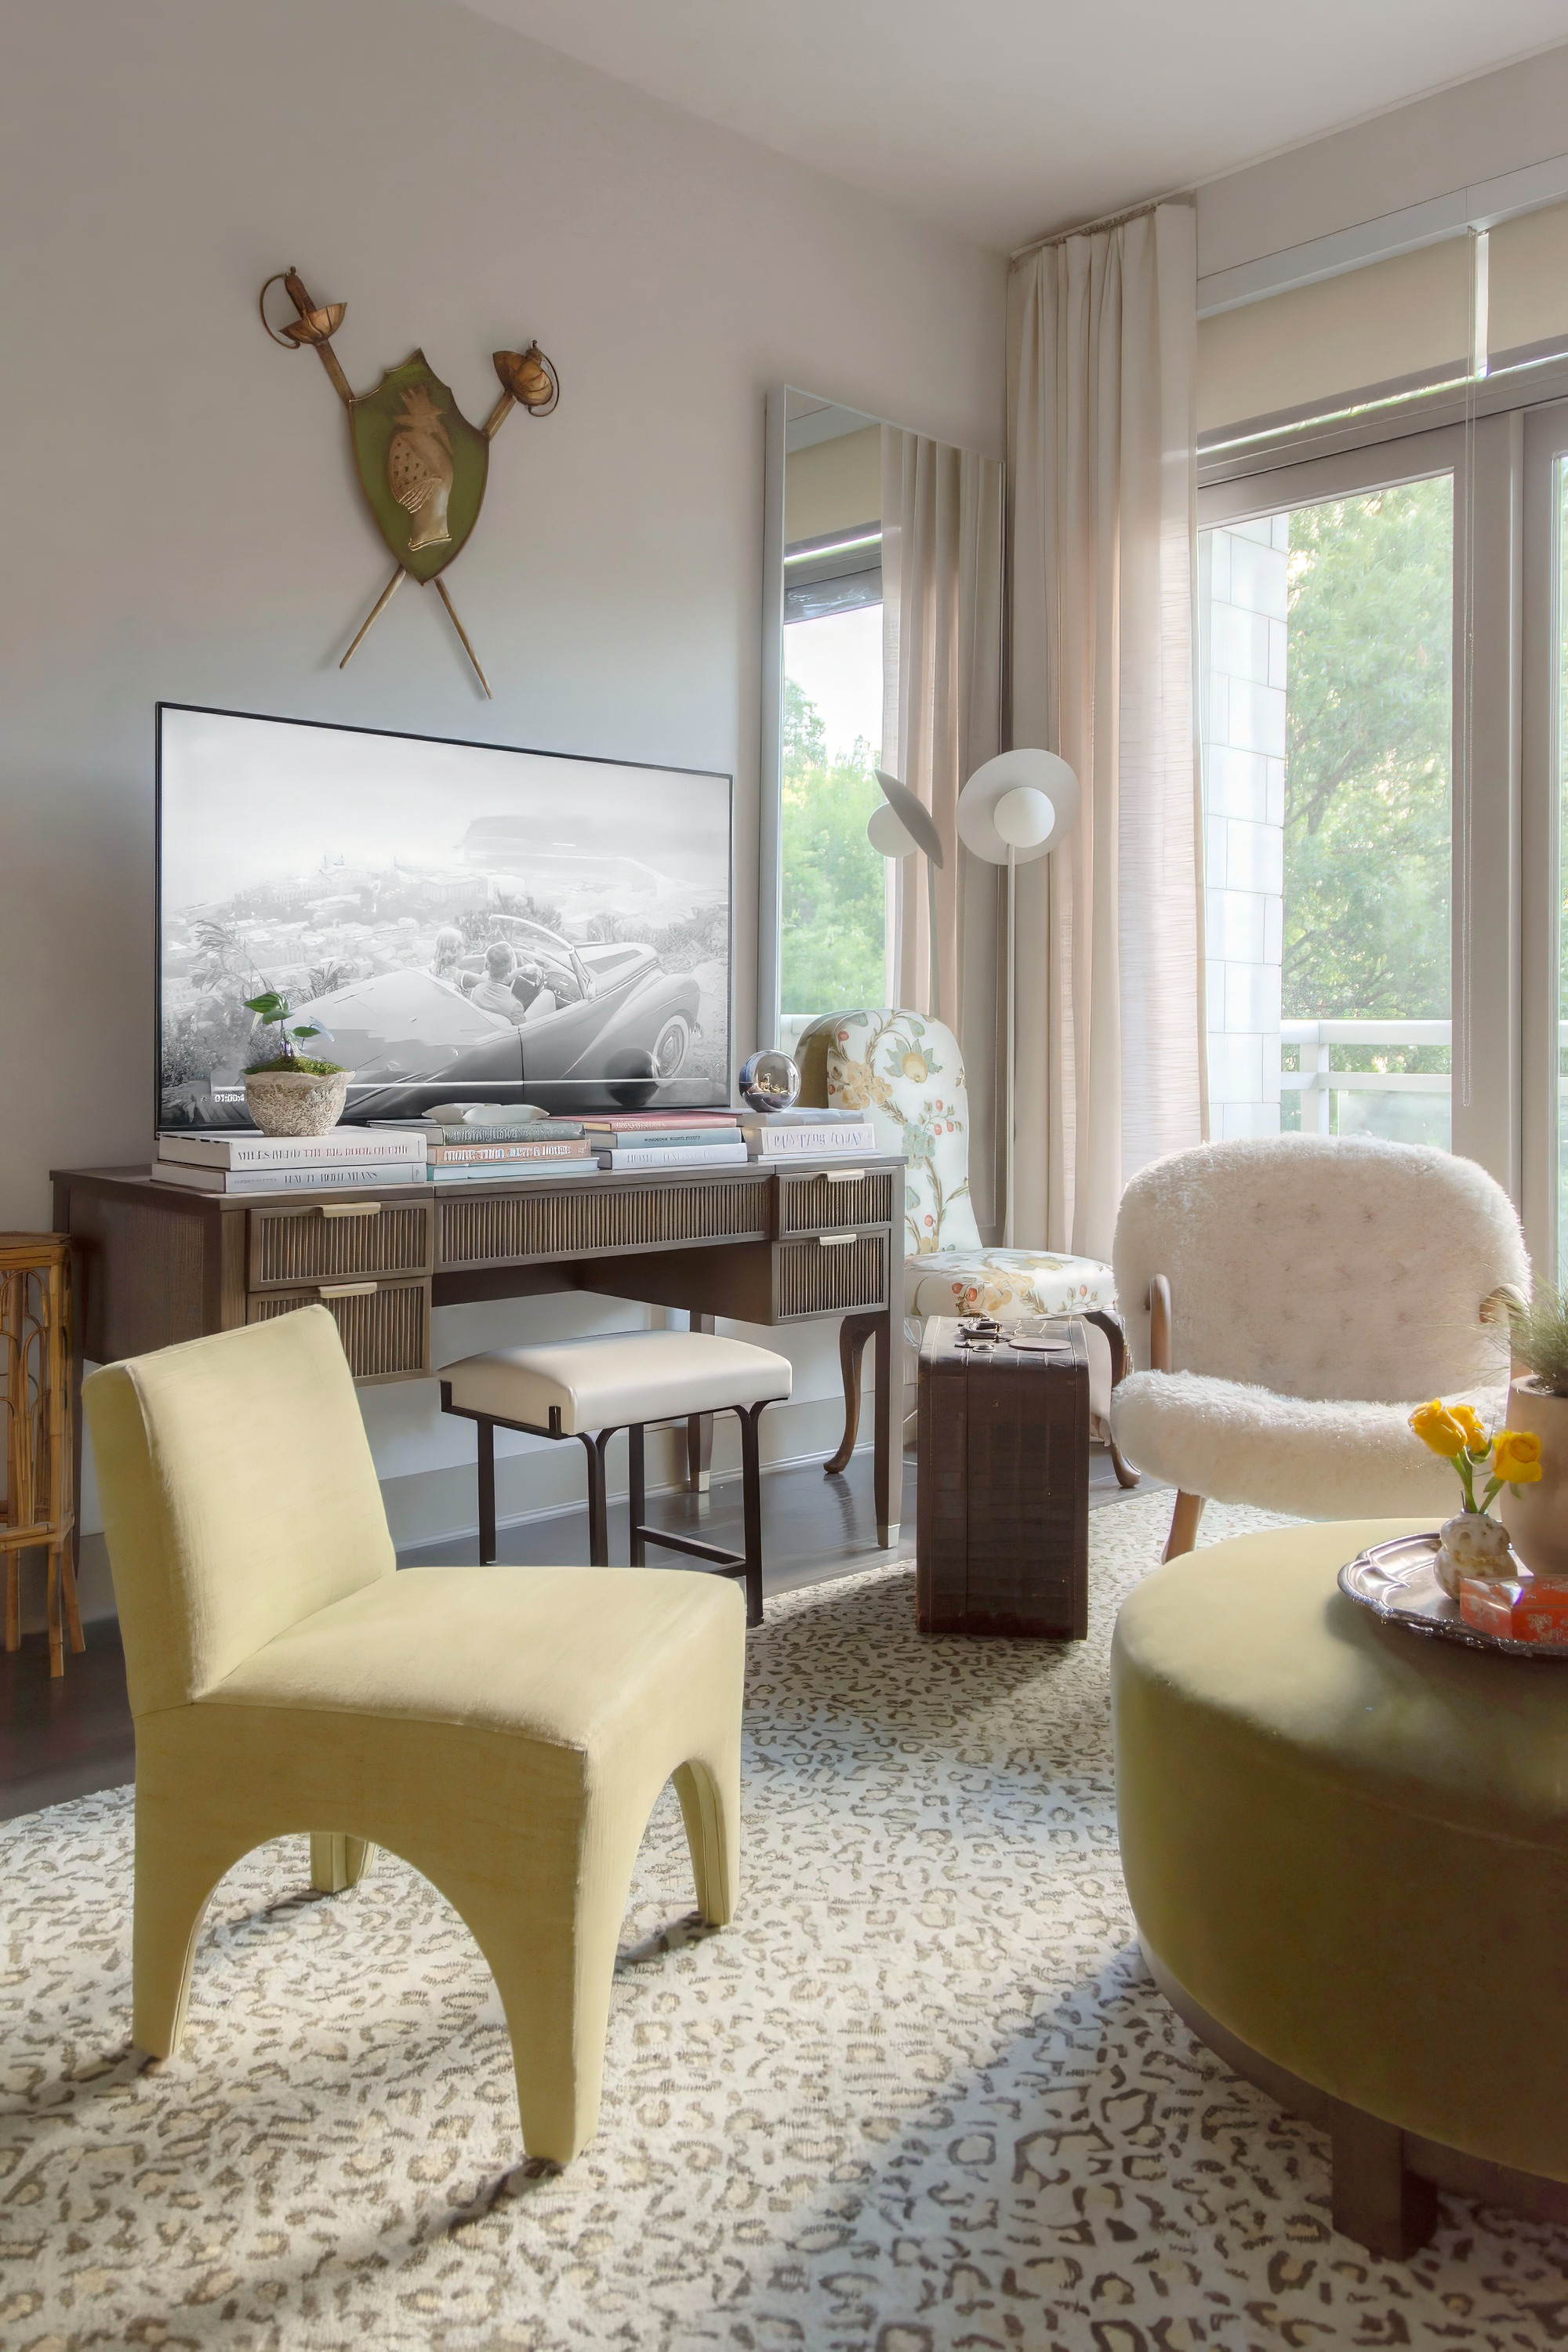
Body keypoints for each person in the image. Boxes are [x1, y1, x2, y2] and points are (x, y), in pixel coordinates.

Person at [467, 941, 527, 1022]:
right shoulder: (515, 1007)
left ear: (486, 966)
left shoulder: (476, 990)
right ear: (510, 969)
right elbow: (525, 1028)